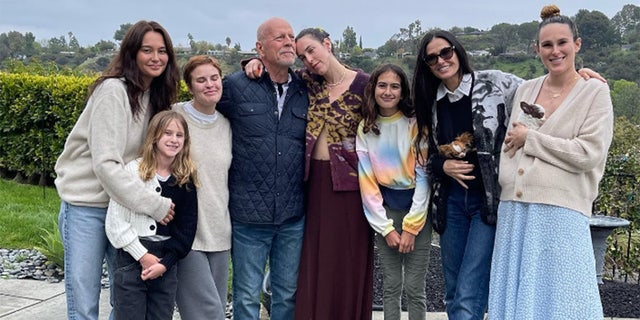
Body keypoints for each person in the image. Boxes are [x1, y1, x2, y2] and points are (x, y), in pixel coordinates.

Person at [488, 5, 613, 319]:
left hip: (561, 213)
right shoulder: (526, 89)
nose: (555, 51)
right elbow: (509, 141)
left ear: (577, 44)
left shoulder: (594, 93)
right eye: (547, 45)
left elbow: (588, 153)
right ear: (537, 49)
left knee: (563, 300)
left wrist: (532, 140)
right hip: (514, 211)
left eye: (562, 43)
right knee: (516, 300)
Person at [245, 26, 374, 320]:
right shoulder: (306, 82)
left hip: (352, 187)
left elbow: (395, 116)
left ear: (327, 44)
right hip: (312, 185)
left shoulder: (366, 85)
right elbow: (274, 70)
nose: (309, 60)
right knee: (314, 260)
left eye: (311, 51)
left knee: (347, 260)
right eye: (303, 56)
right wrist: (253, 63)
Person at [54, 20, 179, 320]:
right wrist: (154, 204)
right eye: (147, 50)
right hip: (87, 206)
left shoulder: (157, 97)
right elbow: (106, 165)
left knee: (126, 301)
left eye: (162, 51)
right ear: (131, 54)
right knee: (84, 301)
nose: (155, 57)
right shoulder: (113, 91)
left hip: (123, 209)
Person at [412, 30, 524, 320]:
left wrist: (578, 75)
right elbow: (425, 156)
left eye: (445, 52)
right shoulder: (429, 101)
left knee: (468, 293)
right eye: (432, 57)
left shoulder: (493, 83)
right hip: (451, 205)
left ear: (457, 51)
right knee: (453, 293)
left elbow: (543, 89)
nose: (440, 60)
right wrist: (442, 166)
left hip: (486, 204)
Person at [216, 17, 308, 320]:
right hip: (248, 217)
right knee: (245, 295)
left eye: (291, 37)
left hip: (292, 216)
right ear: (259, 47)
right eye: (279, 37)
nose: (288, 42)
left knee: (286, 294)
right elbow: (201, 116)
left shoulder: (305, 89)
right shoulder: (234, 86)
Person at [105, 110, 198, 320]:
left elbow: (186, 230)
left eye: (179, 135)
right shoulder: (132, 172)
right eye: (168, 133)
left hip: (165, 262)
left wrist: (164, 264)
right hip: (131, 258)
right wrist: (142, 256)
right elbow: (115, 223)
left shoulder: (185, 179)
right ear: (155, 137)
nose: (174, 139)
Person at [356, 63, 432, 320]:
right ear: (373, 89)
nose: (388, 92)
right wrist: (385, 228)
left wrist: (412, 227)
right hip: (385, 212)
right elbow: (367, 183)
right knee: (390, 286)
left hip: (417, 212)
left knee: (414, 287)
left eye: (395, 86)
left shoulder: (415, 124)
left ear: (402, 91)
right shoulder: (366, 127)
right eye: (382, 85)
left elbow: (424, 178)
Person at [172, 55, 232, 320]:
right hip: (186, 231)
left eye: (214, 78)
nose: (210, 84)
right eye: (201, 80)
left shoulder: (227, 125)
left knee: (215, 306)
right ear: (190, 86)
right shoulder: (175, 116)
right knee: (207, 313)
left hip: (220, 230)